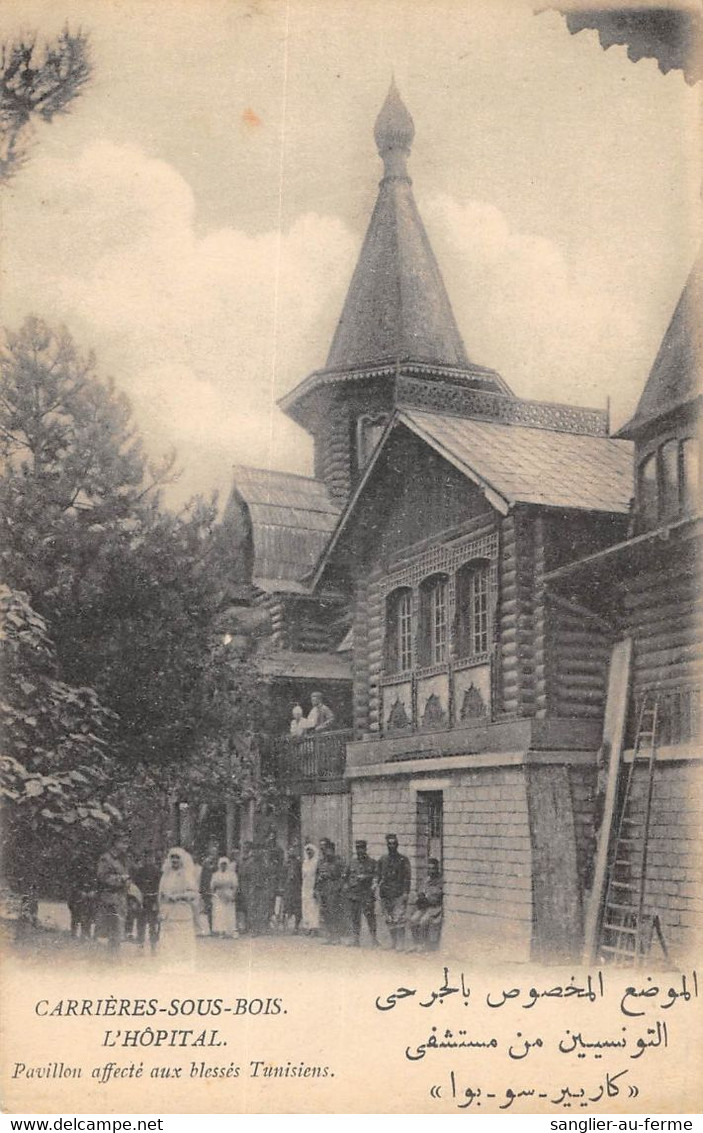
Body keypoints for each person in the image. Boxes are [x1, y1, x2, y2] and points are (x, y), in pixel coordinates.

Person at [158, 847, 199, 967]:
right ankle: (169, 965)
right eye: (172, 857)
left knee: (182, 940)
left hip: (181, 912)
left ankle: (183, 967)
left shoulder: (186, 874)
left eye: (177, 858)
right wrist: (161, 909)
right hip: (168, 913)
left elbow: (193, 893)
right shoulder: (166, 875)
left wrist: (178, 896)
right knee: (169, 940)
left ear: (182, 860)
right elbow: (160, 893)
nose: (174, 860)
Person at [96, 833, 131, 954]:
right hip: (109, 897)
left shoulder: (123, 859)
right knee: (109, 928)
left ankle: (114, 956)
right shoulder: (106, 858)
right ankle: (107, 957)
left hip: (120, 898)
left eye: (127, 843)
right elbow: (102, 877)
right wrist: (121, 879)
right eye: (123, 842)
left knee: (118, 929)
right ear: (115, 843)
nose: (126, 846)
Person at [377, 833, 411, 950]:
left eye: (394, 844)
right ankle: (393, 941)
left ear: (397, 845)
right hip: (386, 893)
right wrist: (378, 888)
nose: (392, 846)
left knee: (399, 918)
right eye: (389, 844)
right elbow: (378, 876)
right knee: (389, 919)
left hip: (398, 893)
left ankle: (400, 942)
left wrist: (406, 893)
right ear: (387, 845)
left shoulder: (403, 860)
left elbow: (407, 877)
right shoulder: (383, 859)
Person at [345, 839, 378, 947]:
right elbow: (345, 876)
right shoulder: (352, 862)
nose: (360, 850)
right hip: (354, 894)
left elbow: (376, 876)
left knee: (370, 916)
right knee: (355, 917)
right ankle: (356, 939)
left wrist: (366, 877)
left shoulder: (372, 862)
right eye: (358, 848)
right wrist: (347, 886)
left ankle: (374, 939)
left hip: (366, 893)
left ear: (365, 849)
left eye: (362, 848)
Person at [409, 858, 444, 952]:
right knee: (413, 920)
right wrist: (420, 896)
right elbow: (421, 891)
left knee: (423, 921)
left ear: (437, 869)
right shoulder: (426, 880)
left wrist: (428, 898)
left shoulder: (441, 881)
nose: (431, 871)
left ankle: (423, 944)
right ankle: (416, 943)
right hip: (425, 907)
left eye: (433, 868)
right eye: (429, 868)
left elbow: (438, 896)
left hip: (435, 908)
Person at [314, 838, 345, 944]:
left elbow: (342, 876)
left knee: (334, 913)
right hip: (324, 891)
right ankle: (329, 936)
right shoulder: (321, 862)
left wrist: (337, 886)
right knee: (325, 914)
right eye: (321, 847)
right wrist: (316, 888)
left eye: (325, 847)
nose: (323, 850)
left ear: (330, 848)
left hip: (334, 890)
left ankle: (337, 937)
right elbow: (317, 875)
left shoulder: (338, 861)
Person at [134, 849, 161, 950]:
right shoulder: (140, 871)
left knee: (153, 923)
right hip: (143, 898)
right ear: (144, 859)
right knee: (141, 922)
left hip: (153, 899)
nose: (149, 860)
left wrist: (157, 902)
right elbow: (136, 885)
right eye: (147, 858)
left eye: (151, 858)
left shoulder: (158, 871)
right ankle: (140, 942)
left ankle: (153, 943)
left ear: (154, 859)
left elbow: (160, 887)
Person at [211, 856, 238, 937]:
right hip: (219, 895)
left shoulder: (232, 874)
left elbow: (235, 885)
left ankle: (230, 931)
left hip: (229, 894)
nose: (223, 866)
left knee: (229, 913)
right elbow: (212, 886)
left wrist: (232, 895)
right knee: (220, 913)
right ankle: (221, 931)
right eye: (222, 864)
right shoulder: (215, 874)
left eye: (225, 864)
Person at [300, 842, 320, 935]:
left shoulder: (316, 862)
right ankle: (307, 927)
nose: (309, 853)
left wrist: (316, 887)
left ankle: (314, 928)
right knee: (305, 905)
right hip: (305, 886)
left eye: (310, 851)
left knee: (313, 906)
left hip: (313, 885)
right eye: (307, 851)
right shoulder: (305, 862)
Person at [281, 845, 302, 932]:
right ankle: (285, 926)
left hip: (296, 888)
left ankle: (296, 927)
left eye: (293, 851)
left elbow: (301, 875)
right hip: (288, 887)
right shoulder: (286, 863)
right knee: (286, 906)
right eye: (289, 851)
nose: (291, 852)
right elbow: (282, 875)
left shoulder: (298, 863)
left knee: (297, 907)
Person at [198, 850, 217, 936]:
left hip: (214, 892)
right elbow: (202, 882)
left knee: (214, 910)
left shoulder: (215, 870)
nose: (209, 864)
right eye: (207, 862)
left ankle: (214, 928)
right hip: (206, 892)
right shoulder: (204, 872)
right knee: (208, 910)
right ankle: (209, 928)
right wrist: (202, 892)